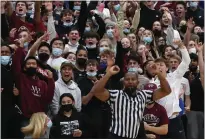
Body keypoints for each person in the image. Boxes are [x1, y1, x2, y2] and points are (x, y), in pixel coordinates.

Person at [90, 60, 171, 138]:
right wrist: (108, 74)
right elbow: (96, 91)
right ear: (123, 82)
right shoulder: (115, 94)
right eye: (127, 79)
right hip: (116, 136)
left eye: (133, 79)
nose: (130, 81)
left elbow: (166, 91)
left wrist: (158, 73)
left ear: (138, 82)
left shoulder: (144, 95)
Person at [12, 38, 55, 126]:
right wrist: (21, 47)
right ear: (24, 67)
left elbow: (48, 99)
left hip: (40, 118)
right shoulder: (21, 78)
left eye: (34, 64)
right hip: (26, 119)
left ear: (37, 68)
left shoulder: (42, 83)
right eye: (28, 64)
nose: (31, 65)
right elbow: (16, 63)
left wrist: (51, 80)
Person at [154, 39, 191, 139]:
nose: (158, 67)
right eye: (156, 66)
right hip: (159, 121)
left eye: (161, 65)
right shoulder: (152, 83)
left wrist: (181, 45)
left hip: (174, 120)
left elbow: (187, 61)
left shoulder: (175, 76)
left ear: (166, 68)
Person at [78, 59, 110, 138]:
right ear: (85, 69)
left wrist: (100, 85)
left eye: (93, 65)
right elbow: (84, 101)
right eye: (89, 65)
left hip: (101, 115)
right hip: (87, 114)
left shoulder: (102, 81)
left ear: (97, 69)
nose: (91, 66)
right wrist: (94, 90)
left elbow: (106, 98)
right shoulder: (81, 81)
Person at [1, 42, 23, 138]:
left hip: (11, 110)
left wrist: (17, 93)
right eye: (2, 52)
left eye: (7, 52)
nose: (4, 54)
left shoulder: (12, 70)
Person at [184, 52, 204, 139]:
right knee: (193, 135)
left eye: (195, 60)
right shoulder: (184, 75)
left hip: (202, 109)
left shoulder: (202, 75)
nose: (192, 62)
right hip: (191, 110)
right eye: (190, 60)